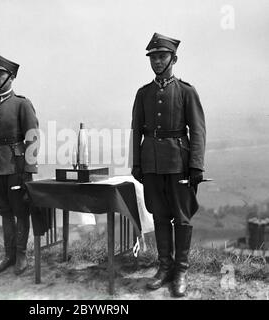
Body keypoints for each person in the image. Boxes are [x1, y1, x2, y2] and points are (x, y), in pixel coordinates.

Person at [131, 33, 206, 297]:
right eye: (153, 57)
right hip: (151, 162)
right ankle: (164, 268)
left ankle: (181, 271)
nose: (157, 62)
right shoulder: (143, 94)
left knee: (182, 218)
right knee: (160, 215)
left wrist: (196, 165)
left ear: (174, 58)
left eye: (162, 56)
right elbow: (135, 131)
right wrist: (137, 164)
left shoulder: (186, 91)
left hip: (179, 162)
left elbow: (197, 130)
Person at [0, 55, 39, 275]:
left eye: (0, 74)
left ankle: (22, 255)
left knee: (20, 211)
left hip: (16, 168)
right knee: (5, 212)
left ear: (11, 77)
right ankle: (9, 255)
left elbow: (32, 138)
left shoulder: (22, 104)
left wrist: (28, 170)